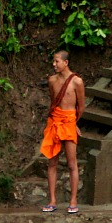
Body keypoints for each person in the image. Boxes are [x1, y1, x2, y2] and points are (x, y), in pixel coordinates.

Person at [40, 50, 85, 214]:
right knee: (52, 163)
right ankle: (52, 200)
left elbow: (81, 106)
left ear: (65, 63)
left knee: (72, 163)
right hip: (55, 122)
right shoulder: (52, 80)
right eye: (53, 61)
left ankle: (73, 200)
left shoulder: (77, 82)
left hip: (69, 122)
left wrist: (74, 123)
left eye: (57, 61)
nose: (54, 64)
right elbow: (54, 102)